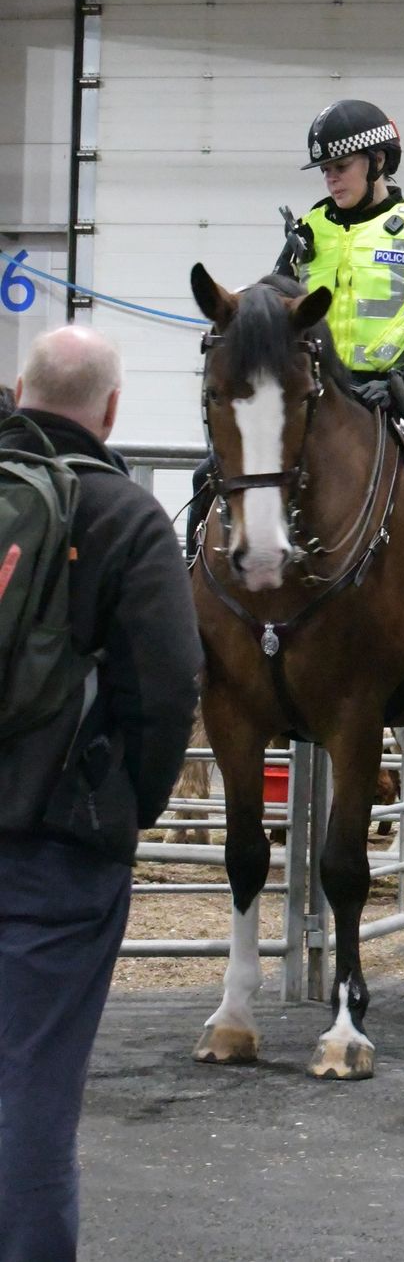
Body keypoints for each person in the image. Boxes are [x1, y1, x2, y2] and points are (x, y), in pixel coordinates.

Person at [0, 327, 201, 1262]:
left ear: (16, 388)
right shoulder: (126, 517)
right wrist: (120, 806)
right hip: (56, 846)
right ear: (112, 409)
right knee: (33, 1090)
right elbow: (166, 692)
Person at [188, 99, 404, 582]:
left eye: (340, 167)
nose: (331, 179)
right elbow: (273, 315)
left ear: (377, 161)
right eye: (325, 171)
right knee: (204, 478)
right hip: (322, 396)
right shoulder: (308, 231)